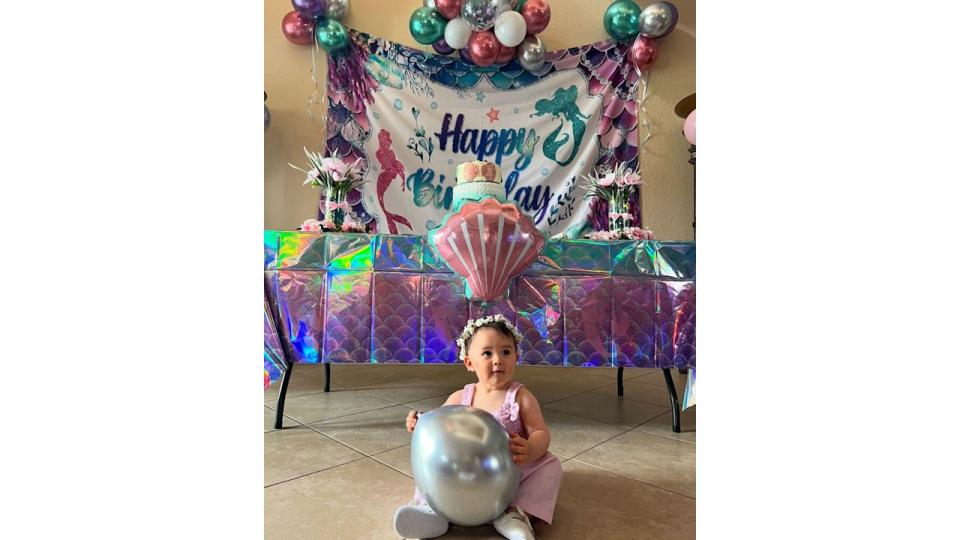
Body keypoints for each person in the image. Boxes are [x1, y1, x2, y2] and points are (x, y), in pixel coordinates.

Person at [393, 314, 563, 540]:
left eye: (506, 352)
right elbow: (436, 424)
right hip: (460, 469)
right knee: (433, 463)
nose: (497, 360)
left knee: (550, 466)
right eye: (487, 353)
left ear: (516, 357)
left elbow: (540, 432)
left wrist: (531, 449)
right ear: (469, 363)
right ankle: (432, 511)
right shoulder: (460, 396)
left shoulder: (521, 397)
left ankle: (516, 514)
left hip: (509, 471)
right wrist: (419, 420)